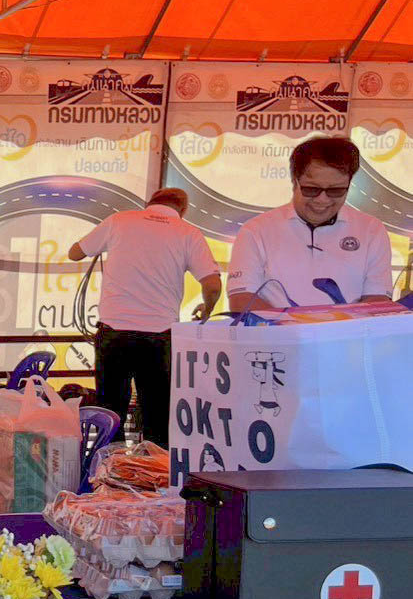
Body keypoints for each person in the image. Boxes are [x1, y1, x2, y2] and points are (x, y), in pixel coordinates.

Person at [67, 187, 222, 446]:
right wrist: (207, 309)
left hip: (114, 333)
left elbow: (74, 253)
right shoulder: (188, 233)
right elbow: (213, 285)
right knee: (157, 415)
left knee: (110, 412)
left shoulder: (119, 221)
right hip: (159, 337)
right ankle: (153, 467)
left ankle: (110, 466)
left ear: (148, 203)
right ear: (183, 209)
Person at [228, 136, 393, 311]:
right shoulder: (256, 231)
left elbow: (378, 299)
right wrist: (294, 326)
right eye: (312, 189)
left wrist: (336, 325)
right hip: (276, 330)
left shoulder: (371, 230)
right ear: (294, 181)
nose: (322, 200)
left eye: (335, 191)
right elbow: (241, 300)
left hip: (347, 330)